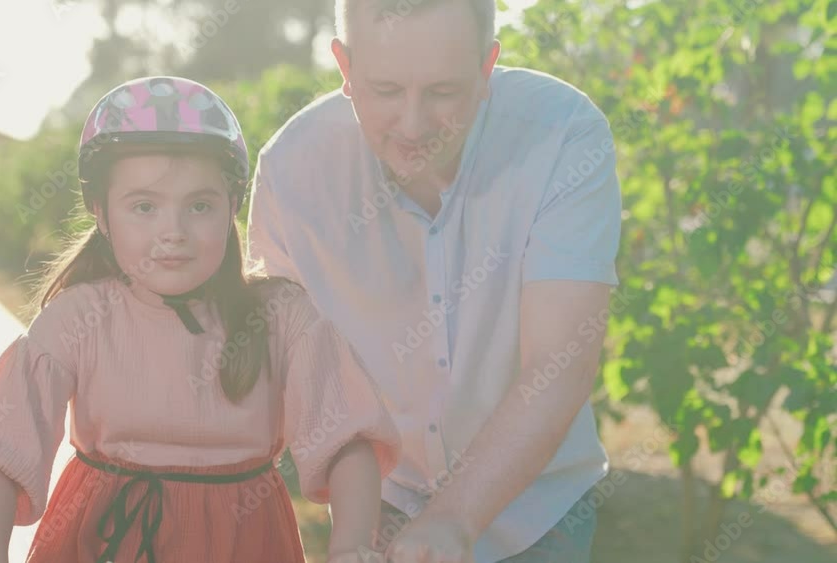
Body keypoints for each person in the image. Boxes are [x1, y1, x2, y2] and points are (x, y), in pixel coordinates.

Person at [0, 76, 400, 563]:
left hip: (243, 542)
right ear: (102, 214)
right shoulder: (77, 320)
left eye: (199, 205)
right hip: (99, 543)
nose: (172, 232)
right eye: (144, 207)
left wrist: (350, 546)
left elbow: (349, 441)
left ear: (231, 205)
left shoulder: (281, 318)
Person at [246, 1, 622, 562]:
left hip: (537, 512)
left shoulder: (562, 136)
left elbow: (558, 361)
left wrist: (454, 519)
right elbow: (299, 381)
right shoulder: (292, 173)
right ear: (345, 69)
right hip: (379, 505)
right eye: (387, 90)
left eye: (444, 93)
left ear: (486, 66)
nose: (414, 124)